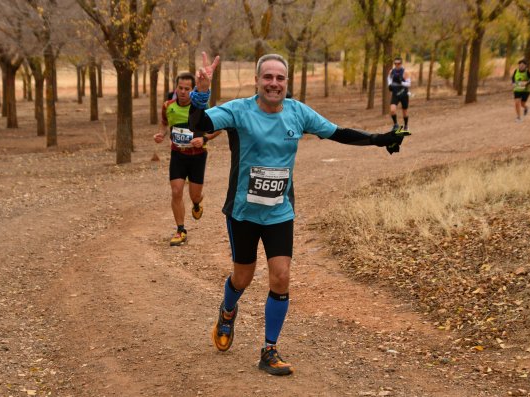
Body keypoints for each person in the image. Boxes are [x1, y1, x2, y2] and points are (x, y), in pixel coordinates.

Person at [188, 52, 408, 376]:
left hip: (279, 212)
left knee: (281, 276)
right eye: (268, 77)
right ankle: (227, 311)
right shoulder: (239, 111)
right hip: (243, 213)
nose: (274, 83)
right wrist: (201, 92)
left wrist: (378, 140)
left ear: (286, 83)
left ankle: (270, 350)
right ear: (257, 81)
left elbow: (338, 132)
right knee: (242, 277)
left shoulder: (297, 112)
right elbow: (199, 125)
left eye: (280, 78)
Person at [153, 72, 221, 246]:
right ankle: (180, 229)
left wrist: (204, 139)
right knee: (176, 191)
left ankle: (197, 204)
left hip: (198, 157)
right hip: (178, 155)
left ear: (193, 90)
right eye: (180, 88)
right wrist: (161, 134)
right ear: (176, 88)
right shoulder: (168, 105)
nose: (183, 92)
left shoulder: (201, 107)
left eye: (187, 89)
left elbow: (219, 128)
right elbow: (164, 122)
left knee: (195, 195)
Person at [387, 57, 411, 131]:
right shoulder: (392, 71)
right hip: (395, 94)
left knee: (405, 112)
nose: (397, 65)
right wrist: (390, 85)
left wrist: (401, 83)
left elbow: (409, 84)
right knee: (392, 110)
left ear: (401, 63)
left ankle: (406, 125)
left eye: (398, 63)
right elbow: (389, 79)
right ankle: (396, 125)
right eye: (395, 63)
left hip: (404, 94)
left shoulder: (405, 72)